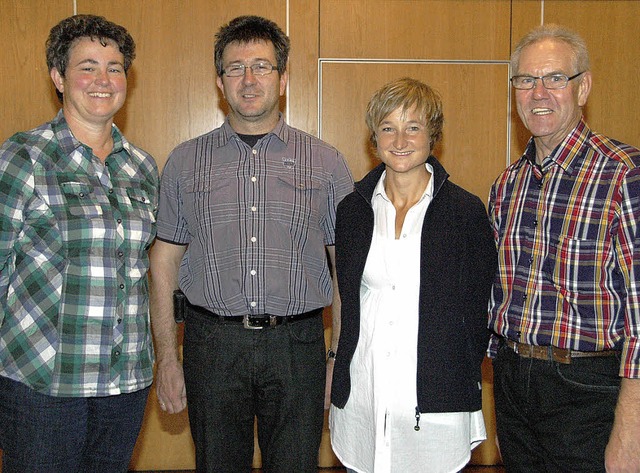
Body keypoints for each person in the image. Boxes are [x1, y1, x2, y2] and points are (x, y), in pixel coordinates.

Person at [150, 15, 353, 473]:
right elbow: (163, 264)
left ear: (282, 79)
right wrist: (166, 356)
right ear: (220, 82)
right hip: (212, 345)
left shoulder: (326, 162)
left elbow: (348, 270)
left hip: (299, 345)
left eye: (261, 66)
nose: (248, 79)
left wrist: (336, 358)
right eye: (235, 68)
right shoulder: (184, 162)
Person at [0, 14, 158, 473]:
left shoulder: (142, 168)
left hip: (125, 383)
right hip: (43, 385)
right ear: (58, 77)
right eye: (87, 66)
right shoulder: (24, 157)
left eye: (114, 67)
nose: (103, 80)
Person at [488, 24, 640, 472]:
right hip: (515, 382)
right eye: (525, 80)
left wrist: (631, 432)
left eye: (555, 78)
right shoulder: (506, 186)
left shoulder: (623, 175)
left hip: (589, 389)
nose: (539, 92)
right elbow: (498, 293)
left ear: (583, 86)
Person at [328, 77, 497, 473]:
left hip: (436, 399)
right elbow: (346, 298)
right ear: (374, 138)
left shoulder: (464, 212)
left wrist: (462, 373)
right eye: (388, 127)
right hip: (364, 393)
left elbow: (480, 309)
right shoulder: (352, 211)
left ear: (432, 135)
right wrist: (334, 365)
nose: (400, 139)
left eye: (413, 127)